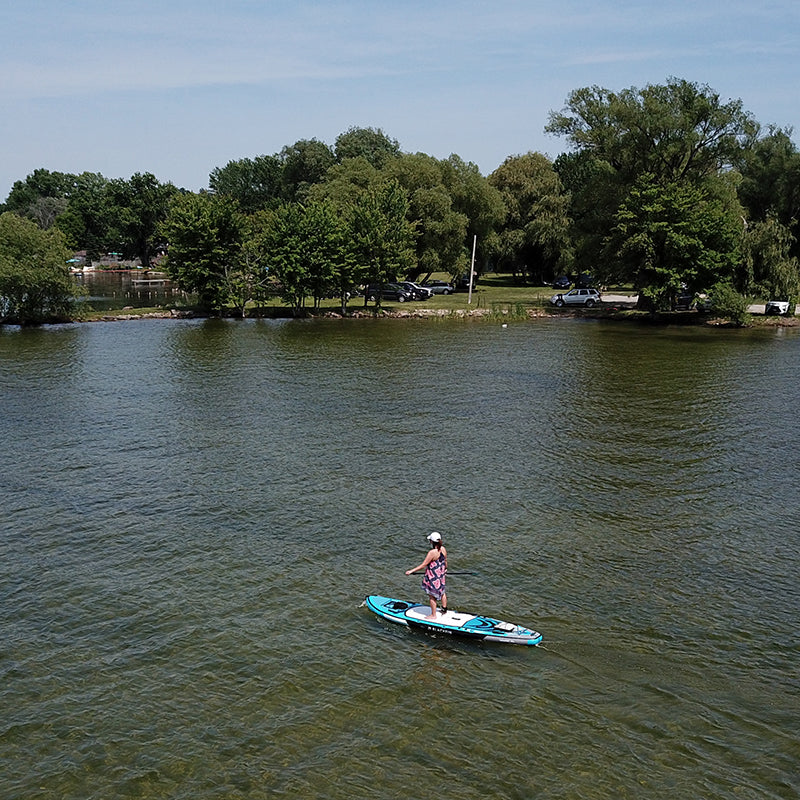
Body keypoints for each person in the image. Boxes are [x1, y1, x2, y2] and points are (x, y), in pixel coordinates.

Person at [405, 531, 448, 620]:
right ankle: (444, 609)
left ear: (431, 542)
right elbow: (445, 561)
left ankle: (433, 615)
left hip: (433, 577)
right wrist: (445, 569)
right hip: (441, 575)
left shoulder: (432, 552)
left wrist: (411, 571)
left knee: (432, 596)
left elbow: (423, 564)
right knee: (442, 592)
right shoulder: (443, 549)